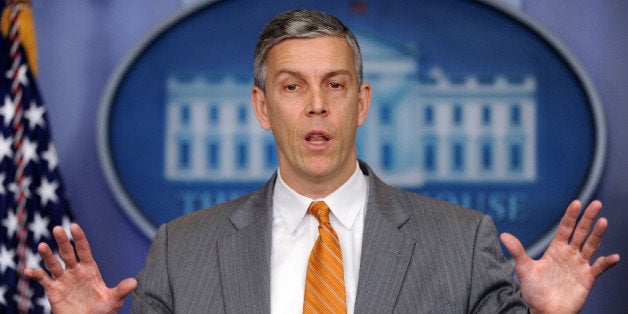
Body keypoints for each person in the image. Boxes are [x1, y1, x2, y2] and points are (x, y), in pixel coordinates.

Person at [26, 9, 619, 313]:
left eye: (335, 85)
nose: (315, 106)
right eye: (292, 87)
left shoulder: (461, 242)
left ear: (361, 103)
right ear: (262, 106)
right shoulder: (183, 249)